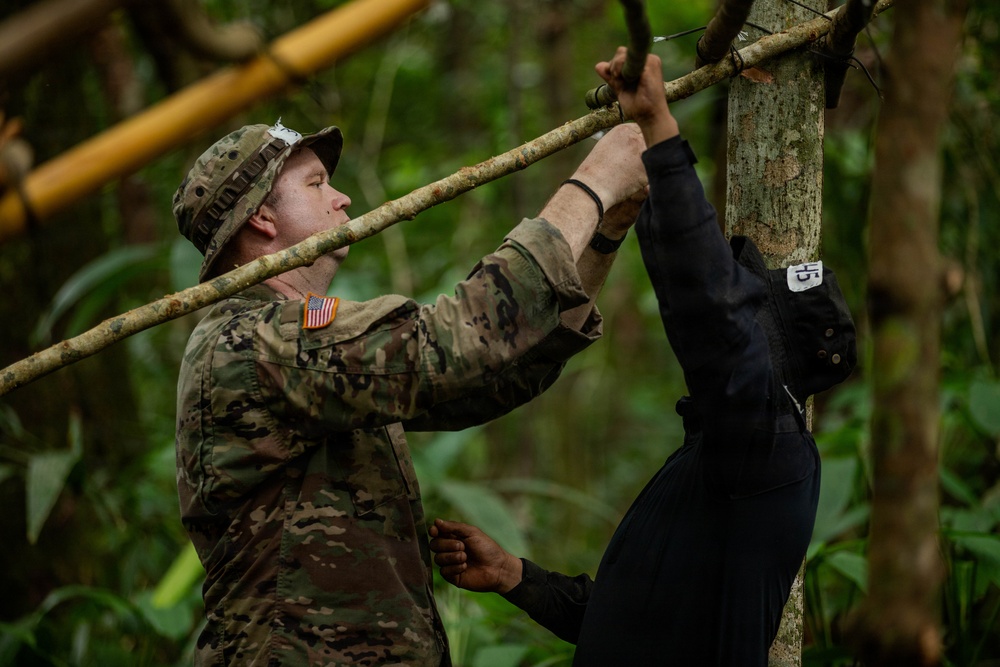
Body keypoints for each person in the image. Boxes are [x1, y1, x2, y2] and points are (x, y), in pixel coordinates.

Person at [429, 48, 857, 666]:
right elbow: (635, 619)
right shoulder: (722, 460)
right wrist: (514, 576)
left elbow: (711, 313)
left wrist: (658, 137)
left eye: (747, 307)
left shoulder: (768, 453)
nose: (732, 306)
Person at [172, 111, 649, 666]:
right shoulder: (254, 341)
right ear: (261, 217)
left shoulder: (284, 342)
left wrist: (605, 231)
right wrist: (594, 181)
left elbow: (491, 378)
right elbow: (458, 340)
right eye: (317, 183)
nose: (342, 198)